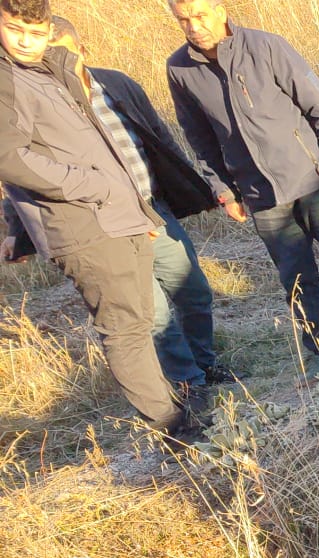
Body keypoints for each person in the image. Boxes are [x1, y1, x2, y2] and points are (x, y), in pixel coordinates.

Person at [165, 0, 319, 375]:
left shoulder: (267, 46)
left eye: (200, 15)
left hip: (313, 179)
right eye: (184, 19)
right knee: (297, 281)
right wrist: (224, 190)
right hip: (261, 196)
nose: (194, 26)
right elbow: (199, 138)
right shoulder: (180, 69)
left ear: (220, 9)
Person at [0, 0, 187, 434]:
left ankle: (175, 411)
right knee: (125, 331)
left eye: (36, 31)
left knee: (139, 326)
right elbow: (9, 157)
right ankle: (174, 430)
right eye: (15, 30)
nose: (27, 42)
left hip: (119, 216)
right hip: (87, 226)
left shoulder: (45, 70)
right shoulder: (7, 77)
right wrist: (90, 185)